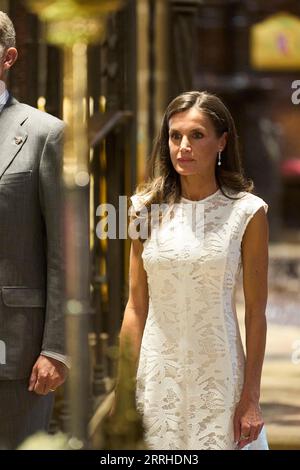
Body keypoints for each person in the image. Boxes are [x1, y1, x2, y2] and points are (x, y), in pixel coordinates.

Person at [119, 90, 269, 450]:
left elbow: (256, 314)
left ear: (222, 142)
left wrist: (251, 397)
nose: (183, 146)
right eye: (175, 136)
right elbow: (135, 306)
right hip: (157, 377)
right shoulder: (142, 209)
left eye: (196, 135)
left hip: (220, 377)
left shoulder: (247, 212)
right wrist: (123, 387)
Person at [0, 11, 68, 449]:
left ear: (8, 57)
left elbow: (66, 251)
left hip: (16, 348)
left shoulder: (46, 134)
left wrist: (56, 348)